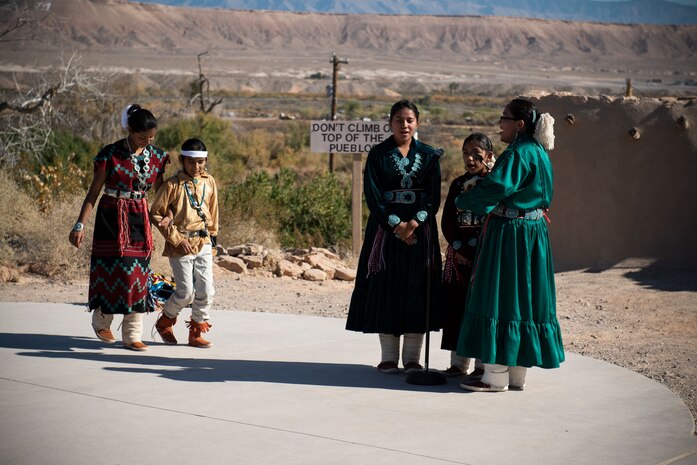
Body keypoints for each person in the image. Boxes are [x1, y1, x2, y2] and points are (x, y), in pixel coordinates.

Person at [454, 98, 564, 392]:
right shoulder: (539, 153)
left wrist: (464, 200)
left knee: (500, 294)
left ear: (520, 124)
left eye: (504, 118)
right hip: (533, 233)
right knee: (524, 298)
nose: (499, 124)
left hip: (511, 234)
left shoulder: (517, 153)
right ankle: (516, 376)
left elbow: (498, 187)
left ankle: (495, 376)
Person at [346, 100, 443, 374]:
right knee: (386, 288)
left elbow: (433, 197)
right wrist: (396, 226)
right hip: (385, 233)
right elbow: (373, 196)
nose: (405, 125)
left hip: (420, 234)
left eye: (410, 120)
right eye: (399, 120)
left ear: (418, 123)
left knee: (417, 290)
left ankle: (412, 358)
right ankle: (389, 357)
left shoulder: (429, 155)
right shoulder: (378, 154)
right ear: (390, 123)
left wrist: (413, 223)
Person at [69, 104, 169, 351]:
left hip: (139, 218)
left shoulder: (157, 156)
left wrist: (167, 214)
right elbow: (93, 192)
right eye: (141, 137)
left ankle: (132, 334)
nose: (146, 142)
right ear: (129, 130)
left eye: (151, 138)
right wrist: (80, 224)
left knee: (138, 275)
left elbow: (161, 192)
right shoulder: (110, 154)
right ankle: (102, 319)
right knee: (115, 273)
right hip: (110, 217)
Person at [150, 138, 219, 348]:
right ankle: (165, 321)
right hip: (180, 243)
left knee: (207, 290)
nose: (196, 167)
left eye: (200, 162)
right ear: (182, 161)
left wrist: (213, 243)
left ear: (205, 160)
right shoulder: (172, 185)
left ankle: (196, 330)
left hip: (203, 241)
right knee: (185, 291)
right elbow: (156, 213)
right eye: (190, 162)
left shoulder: (210, 182)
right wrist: (177, 239)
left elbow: (213, 214)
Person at [439, 133, 495, 377]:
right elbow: (448, 221)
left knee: (482, 309)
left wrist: (475, 252)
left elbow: (494, 220)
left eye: (476, 154)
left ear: (489, 156)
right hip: (459, 258)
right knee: (456, 308)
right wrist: (459, 248)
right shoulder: (457, 185)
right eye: (465, 153)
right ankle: (458, 363)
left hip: (485, 258)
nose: (470, 158)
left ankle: (482, 365)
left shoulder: (494, 185)